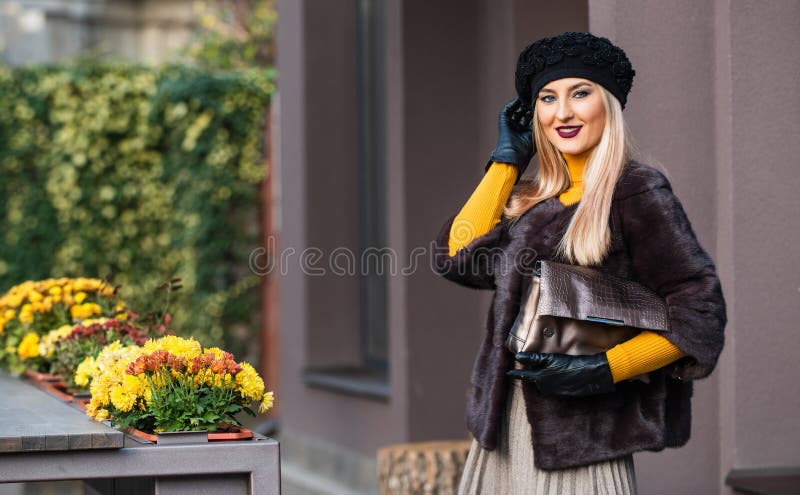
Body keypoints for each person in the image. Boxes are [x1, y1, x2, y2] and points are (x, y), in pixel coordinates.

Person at [432, 32, 727, 494]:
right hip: (504, 431)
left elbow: (700, 314)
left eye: (580, 93)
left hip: (580, 440)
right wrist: (507, 162)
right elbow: (458, 257)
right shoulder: (536, 199)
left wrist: (603, 369)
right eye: (547, 98)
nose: (562, 112)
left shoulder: (635, 191)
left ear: (607, 104)